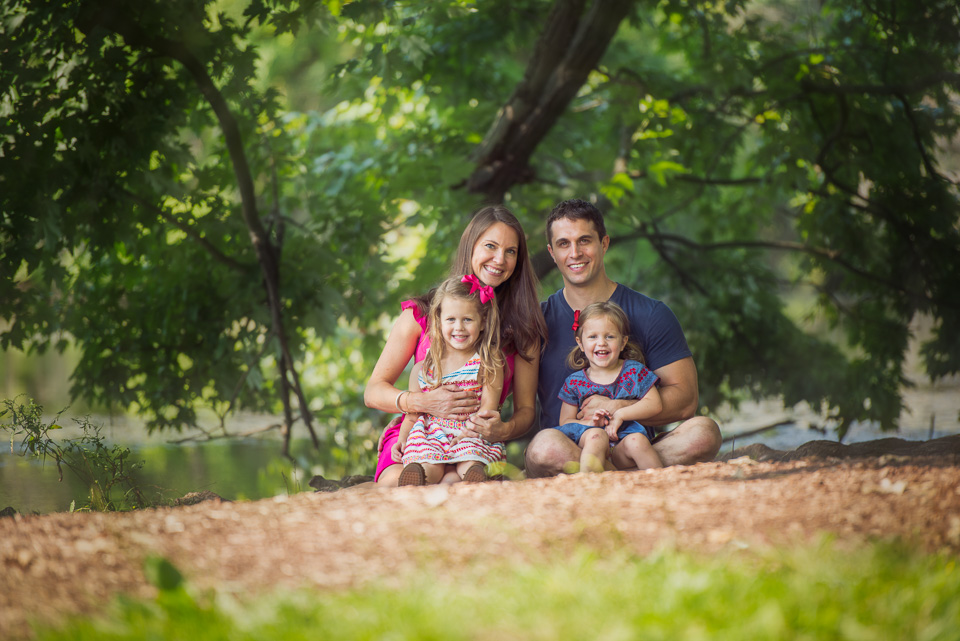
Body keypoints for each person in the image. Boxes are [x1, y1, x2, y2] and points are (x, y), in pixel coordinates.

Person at [526, 199, 721, 477]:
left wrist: (617, 407)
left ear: (604, 244)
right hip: (567, 448)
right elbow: (515, 401)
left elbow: (686, 399)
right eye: (563, 244)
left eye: (585, 241)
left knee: (704, 432)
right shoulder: (536, 322)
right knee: (543, 448)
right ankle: (630, 476)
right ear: (552, 252)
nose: (575, 253)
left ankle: (608, 472)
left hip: (633, 444)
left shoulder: (651, 313)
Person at [365, 205, 547, 485]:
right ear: (470, 247)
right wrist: (418, 403)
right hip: (421, 432)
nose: (500, 259)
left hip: (474, 440)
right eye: (490, 246)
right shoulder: (421, 314)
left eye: (511, 251)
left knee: (459, 483)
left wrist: (503, 428)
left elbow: (526, 411)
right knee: (396, 483)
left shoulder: (523, 330)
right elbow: (374, 390)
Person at [393, 276, 507, 485]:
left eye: (467, 319)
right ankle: (419, 477)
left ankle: (476, 474)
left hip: (472, 432)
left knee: (470, 458)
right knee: (428, 462)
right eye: (451, 320)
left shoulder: (488, 362)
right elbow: (412, 415)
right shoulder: (424, 368)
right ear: (439, 321)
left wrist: (465, 434)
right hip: (433, 435)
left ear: (482, 322)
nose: (459, 327)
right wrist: (403, 438)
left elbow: (487, 411)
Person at [551, 301, 663, 473]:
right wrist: (591, 423)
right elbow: (565, 421)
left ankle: (662, 487)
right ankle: (590, 490)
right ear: (580, 343)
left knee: (638, 442)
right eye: (593, 337)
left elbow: (655, 404)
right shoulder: (574, 382)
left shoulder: (634, 371)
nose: (601, 342)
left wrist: (620, 414)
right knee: (597, 437)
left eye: (609, 336)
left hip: (623, 445)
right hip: (589, 444)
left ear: (623, 341)